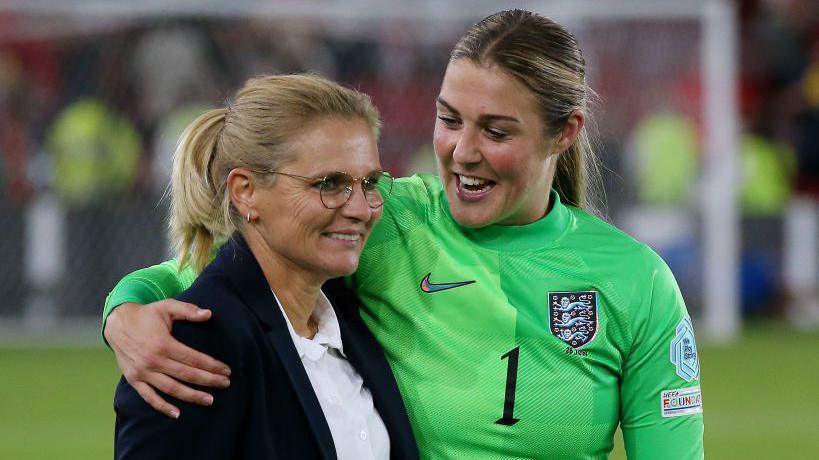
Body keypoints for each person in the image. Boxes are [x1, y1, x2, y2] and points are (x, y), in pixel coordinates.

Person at [104, 10, 704, 459]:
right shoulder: (380, 217)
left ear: (565, 132)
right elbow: (210, 275)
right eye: (449, 119)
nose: (463, 151)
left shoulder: (636, 280)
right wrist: (124, 314)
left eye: (496, 131)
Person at [112, 74, 419, 460]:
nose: (360, 209)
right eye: (328, 184)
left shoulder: (353, 314)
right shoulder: (193, 348)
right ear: (246, 192)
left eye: (369, 183)